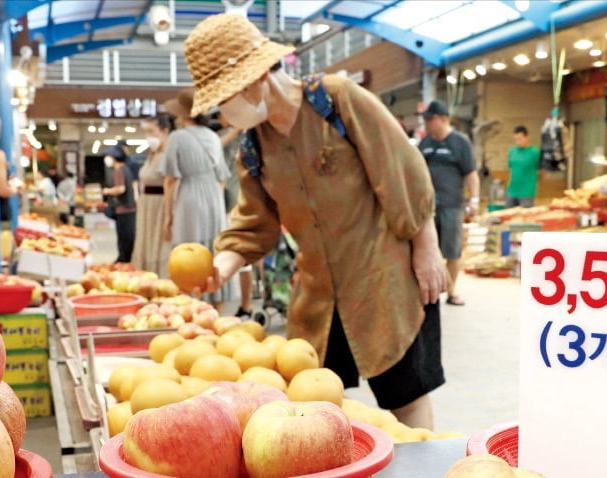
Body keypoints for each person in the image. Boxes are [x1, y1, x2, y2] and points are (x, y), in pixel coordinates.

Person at [184, 14, 448, 429]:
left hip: (384, 280)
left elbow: (403, 172)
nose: (223, 110)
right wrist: (222, 267)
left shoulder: (337, 101)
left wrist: (427, 248)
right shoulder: (253, 147)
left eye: (225, 97)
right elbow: (254, 224)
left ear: (254, 79)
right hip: (318, 297)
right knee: (319, 407)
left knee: (407, 397)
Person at [162, 88, 237, 308]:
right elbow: (223, 176)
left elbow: (170, 179)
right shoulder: (213, 136)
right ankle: (216, 312)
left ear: (182, 115)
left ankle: (190, 308)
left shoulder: (177, 137)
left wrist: (168, 216)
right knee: (213, 254)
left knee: (187, 256)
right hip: (214, 197)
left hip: (189, 199)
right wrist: (213, 197)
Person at [420, 100, 478, 307]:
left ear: (443, 119)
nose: (426, 124)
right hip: (427, 208)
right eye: (425, 120)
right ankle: (428, 291)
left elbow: (471, 173)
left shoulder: (460, 142)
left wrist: (474, 199)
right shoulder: (425, 144)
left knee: (452, 250)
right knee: (426, 248)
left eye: (430, 119)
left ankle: (451, 291)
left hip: (452, 205)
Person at [217, 123, 256, 318]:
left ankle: (246, 305)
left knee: (245, 258)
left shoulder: (252, 134)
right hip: (226, 202)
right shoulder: (222, 136)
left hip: (240, 204)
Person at [132, 114, 175, 277]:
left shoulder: (167, 155)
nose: (148, 136)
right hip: (146, 205)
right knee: (146, 242)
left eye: (151, 131)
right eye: (146, 132)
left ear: (164, 131)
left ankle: (160, 278)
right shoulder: (152, 155)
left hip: (160, 205)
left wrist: (168, 216)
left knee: (159, 243)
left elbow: (170, 183)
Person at [102, 146, 137, 263]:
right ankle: (125, 260)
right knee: (127, 237)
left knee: (124, 238)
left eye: (109, 156)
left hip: (123, 209)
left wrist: (107, 191)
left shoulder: (119, 170)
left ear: (115, 158)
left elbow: (121, 189)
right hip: (129, 208)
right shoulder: (125, 169)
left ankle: (123, 261)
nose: (107, 159)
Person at [506, 125, 541, 208]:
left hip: (527, 193)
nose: (517, 142)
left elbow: (541, 172)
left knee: (525, 219)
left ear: (527, 137)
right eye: (515, 140)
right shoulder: (512, 151)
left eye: (519, 139)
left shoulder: (535, 152)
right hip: (511, 191)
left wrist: (533, 185)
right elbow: (511, 170)